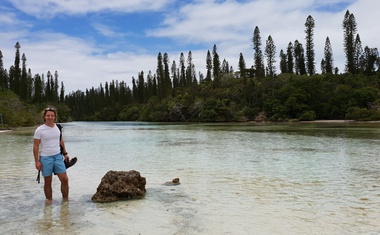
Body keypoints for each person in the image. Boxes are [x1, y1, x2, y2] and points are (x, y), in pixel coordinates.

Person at [33, 107, 70, 203]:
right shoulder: (39, 130)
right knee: (48, 182)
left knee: (65, 180)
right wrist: (37, 161)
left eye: (52, 115)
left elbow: (60, 140)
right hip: (45, 158)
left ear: (55, 117)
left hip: (58, 156)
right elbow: (36, 146)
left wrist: (65, 153)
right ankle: (49, 202)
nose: (50, 117)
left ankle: (65, 202)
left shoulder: (58, 128)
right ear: (44, 117)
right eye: (48, 115)